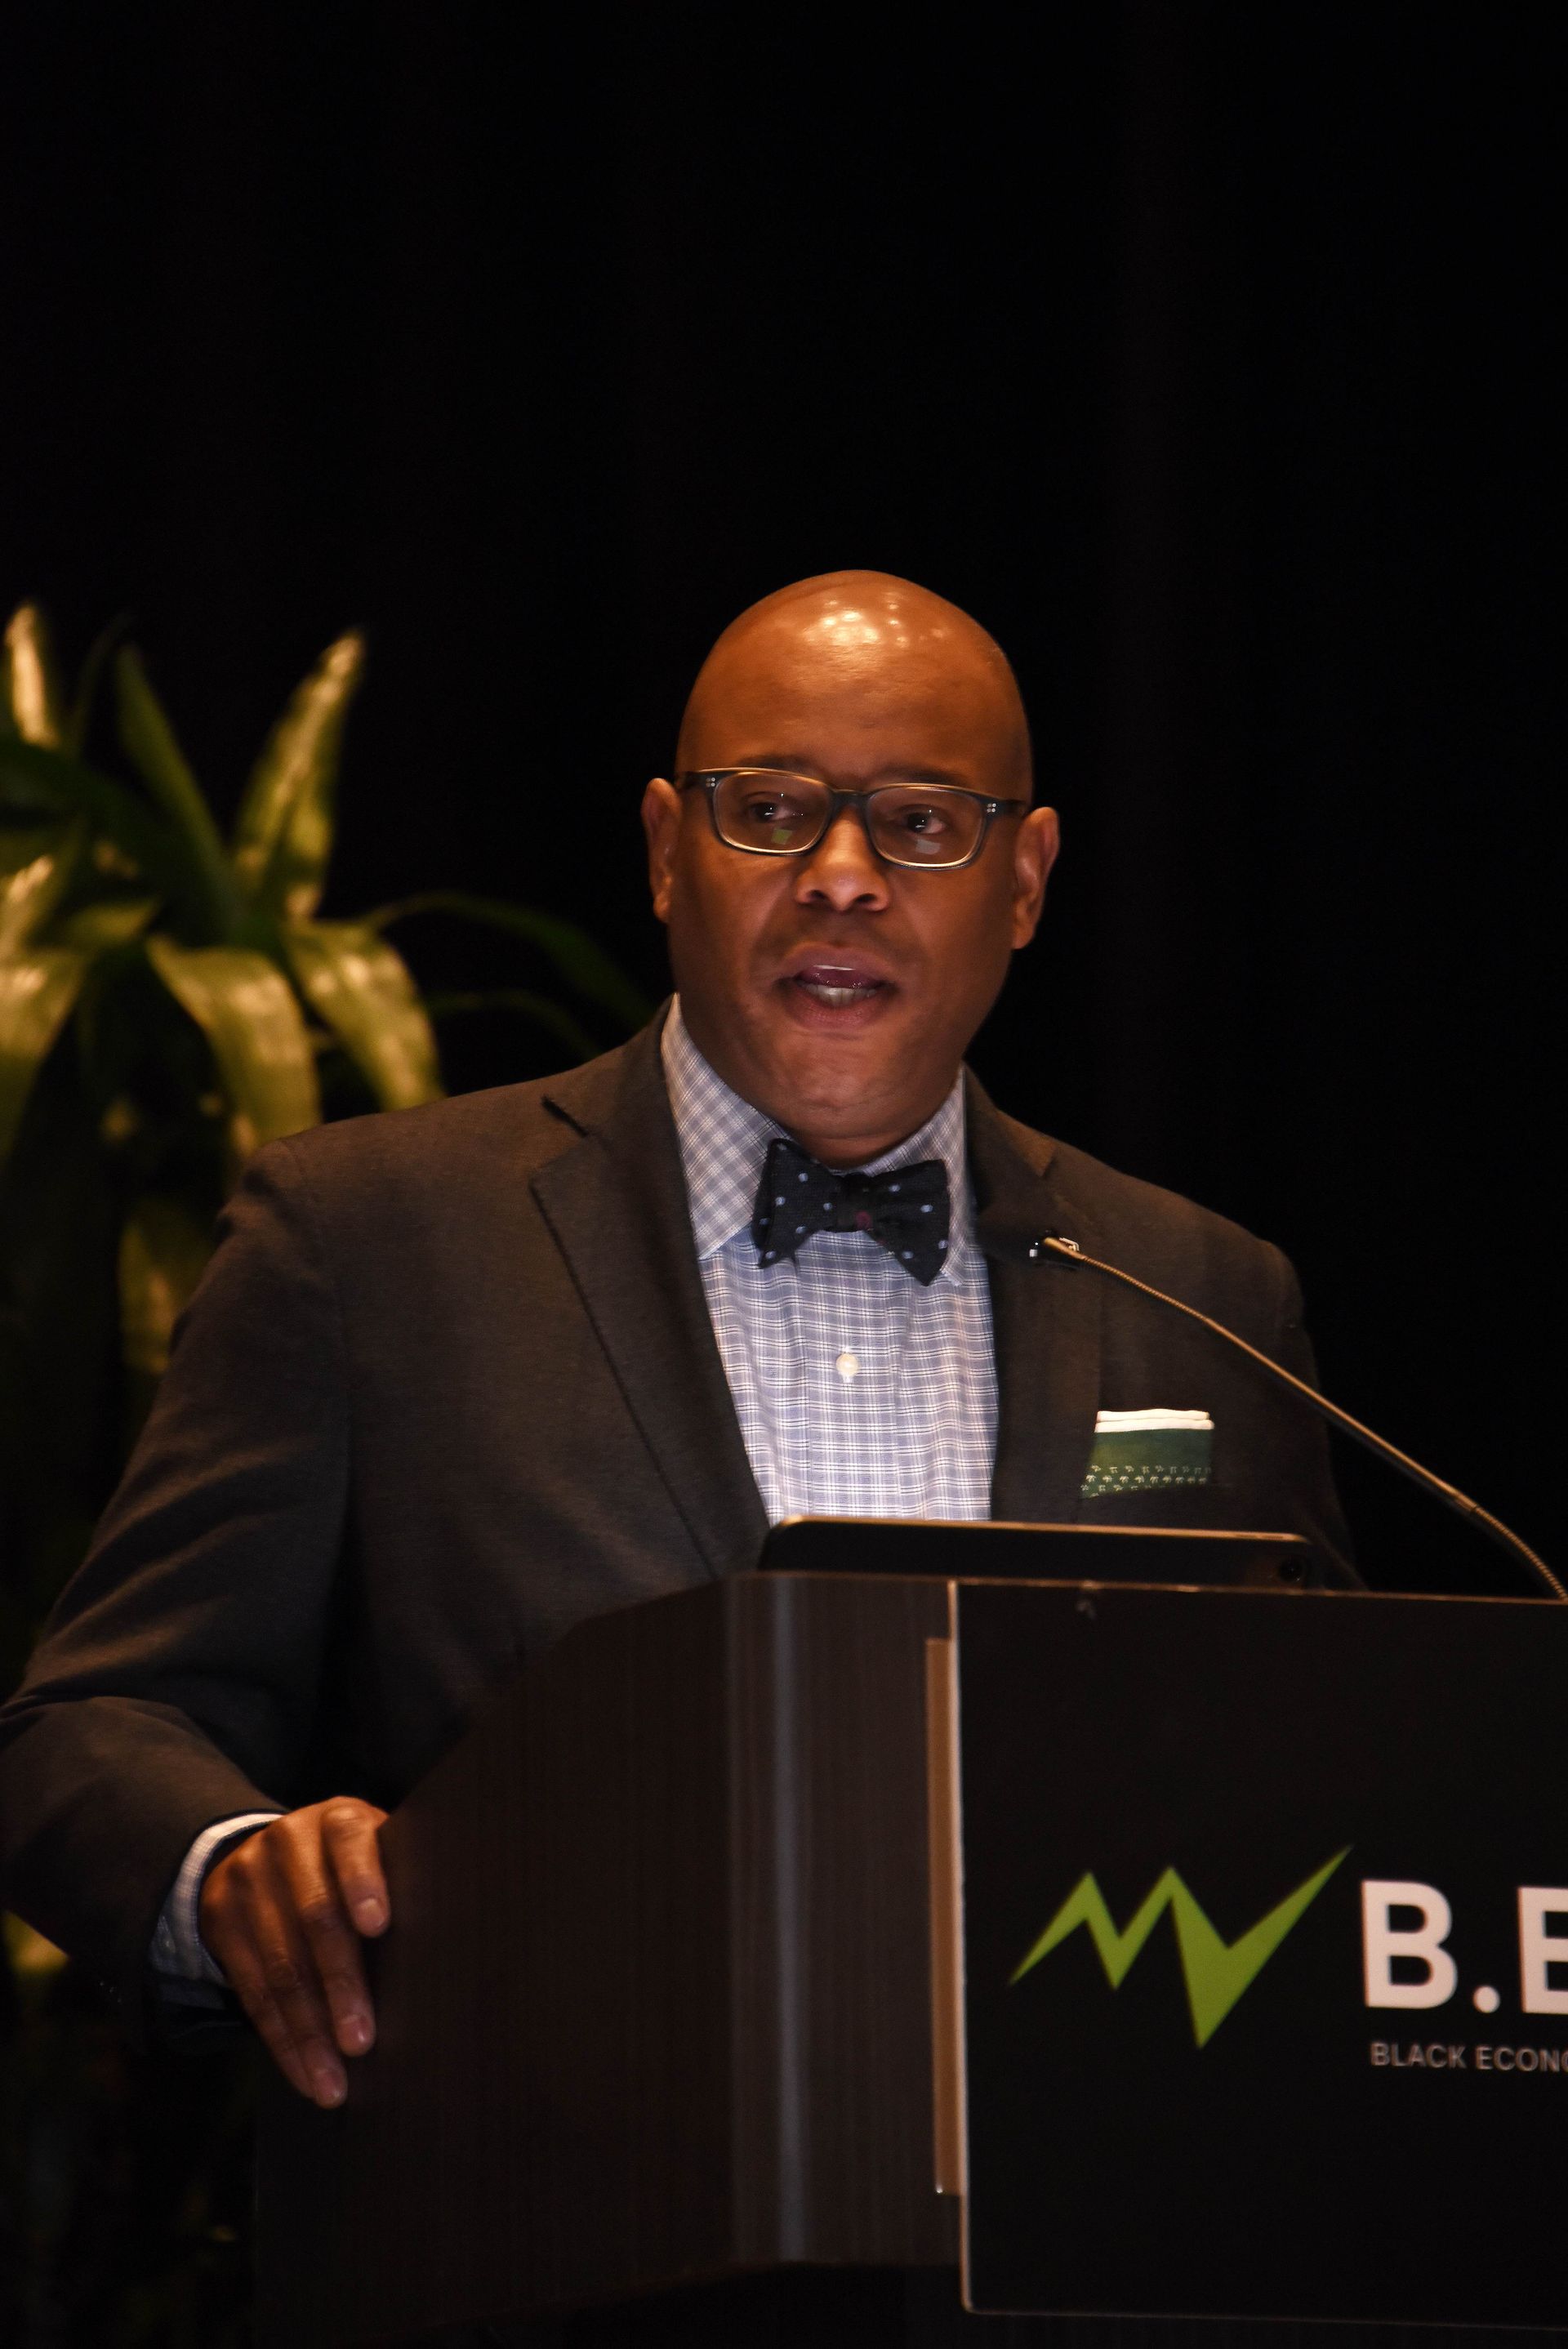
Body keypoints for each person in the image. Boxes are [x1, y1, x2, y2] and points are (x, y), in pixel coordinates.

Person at [0, 570, 1350, 2115]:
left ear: (1028, 879)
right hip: (537, 2235)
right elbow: (93, 1725)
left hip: (1084, 2235)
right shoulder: (368, 1244)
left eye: (921, 823)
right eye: (769, 811)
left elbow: (1342, 1778)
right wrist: (234, 1868)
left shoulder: (1203, 1292)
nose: (841, 878)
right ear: (663, 851)